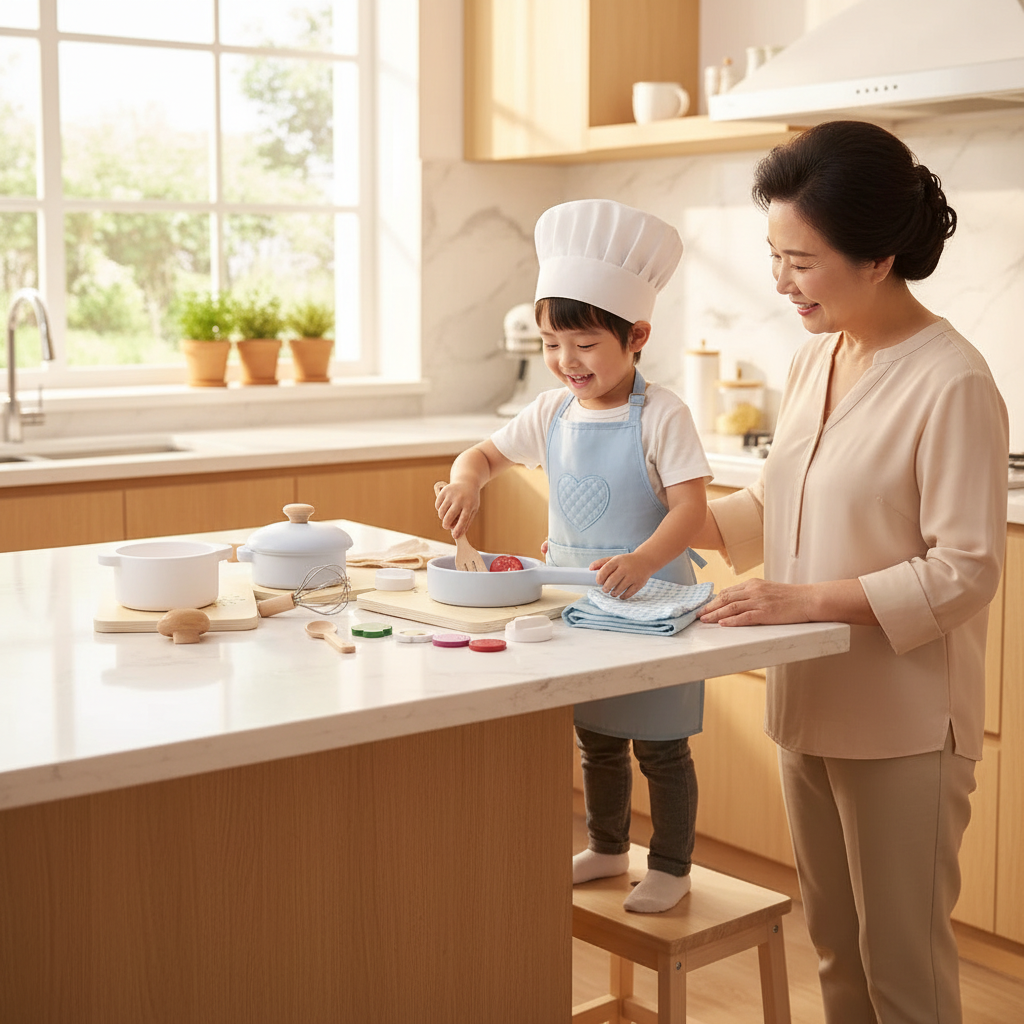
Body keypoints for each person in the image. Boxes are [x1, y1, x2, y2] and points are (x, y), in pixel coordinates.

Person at [694, 121, 1009, 1022]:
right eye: (773, 254)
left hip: (905, 720)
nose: (781, 280)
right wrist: (676, 513)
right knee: (835, 951)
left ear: (877, 259)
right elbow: (778, 503)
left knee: (901, 968)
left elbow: (965, 571)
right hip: (809, 699)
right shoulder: (813, 358)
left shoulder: (951, 381)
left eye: (802, 259)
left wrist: (805, 601)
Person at [435, 199, 712, 913]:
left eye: (585, 344)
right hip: (580, 608)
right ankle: (610, 847)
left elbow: (691, 511)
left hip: (654, 607)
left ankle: (674, 865)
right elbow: (484, 454)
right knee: (597, 737)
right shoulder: (552, 411)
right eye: (553, 344)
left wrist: (645, 560)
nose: (566, 362)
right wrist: (466, 483)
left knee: (660, 744)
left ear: (636, 335)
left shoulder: (663, 415)